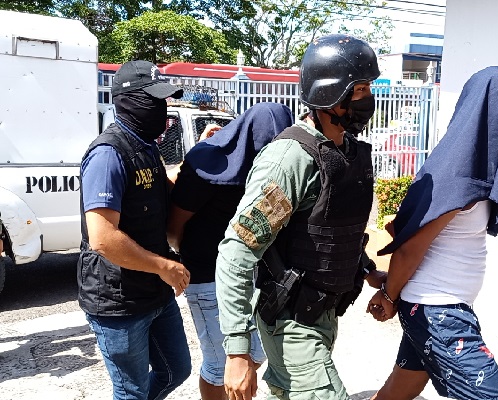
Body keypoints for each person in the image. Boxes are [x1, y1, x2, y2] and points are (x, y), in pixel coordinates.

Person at [215, 34, 386, 400]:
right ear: (329, 95)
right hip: (293, 319)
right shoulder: (292, 159)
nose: (368, 99)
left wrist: (367, 269)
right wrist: (237, 351)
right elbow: (237, 252)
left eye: (368, 88)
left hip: (324, 312)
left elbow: (334, 226)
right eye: (358, 89)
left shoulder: (346, 152)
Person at [367, 66, 498, 400]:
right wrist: (389, 296)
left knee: (399, 389)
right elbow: (410, 249)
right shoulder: (458, 173)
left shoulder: (477, 168)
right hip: (439, 312)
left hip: (441, 306)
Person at [77, 60, 192, 400]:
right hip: (118, 300)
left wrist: (200, 155)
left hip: (152, 291)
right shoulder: (108, 154)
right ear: (128, 101)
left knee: (176, 369)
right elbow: (102, 238)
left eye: (165, 101)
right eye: (154, 101)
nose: (162, 109)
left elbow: (157, 192)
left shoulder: (147, 147)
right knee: (131, 391)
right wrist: (165, 267)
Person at [166, 102, 295, 400]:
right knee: (221, 363)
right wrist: (185, 259)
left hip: (253, 277)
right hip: (207, 276)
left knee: (255, 353)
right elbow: (174, 227)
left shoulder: (274, 173)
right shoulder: (206, 162)